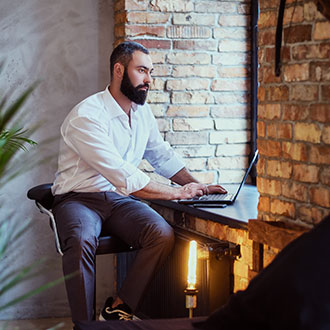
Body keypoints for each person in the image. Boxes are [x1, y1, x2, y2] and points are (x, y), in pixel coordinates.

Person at [51, 41, 226, 322]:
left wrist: (199, 186)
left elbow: (161, 156)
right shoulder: (87, 116)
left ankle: (118, 308)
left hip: (118, 199)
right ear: (119, 70)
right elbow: (124, 175)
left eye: (151, 72)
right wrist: (178, 193)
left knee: (161, 234)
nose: (149, 80)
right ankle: (84, 326)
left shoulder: (141, 113)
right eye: (142, 70)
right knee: (82, 239)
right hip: (79, 197)